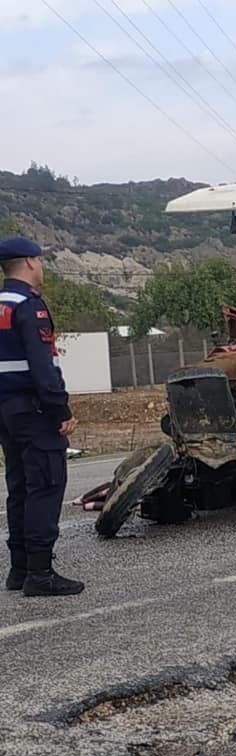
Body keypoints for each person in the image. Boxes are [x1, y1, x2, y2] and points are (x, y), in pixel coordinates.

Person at [0, 236, 84, 596]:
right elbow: (42, 365)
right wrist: (59, 409)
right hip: (32, 409)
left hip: (5, 411)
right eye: (42, 261)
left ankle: (18, 569)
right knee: (46, 486)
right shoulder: (29, 306)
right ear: (31, 262)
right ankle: (40, 573)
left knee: (18, 486)